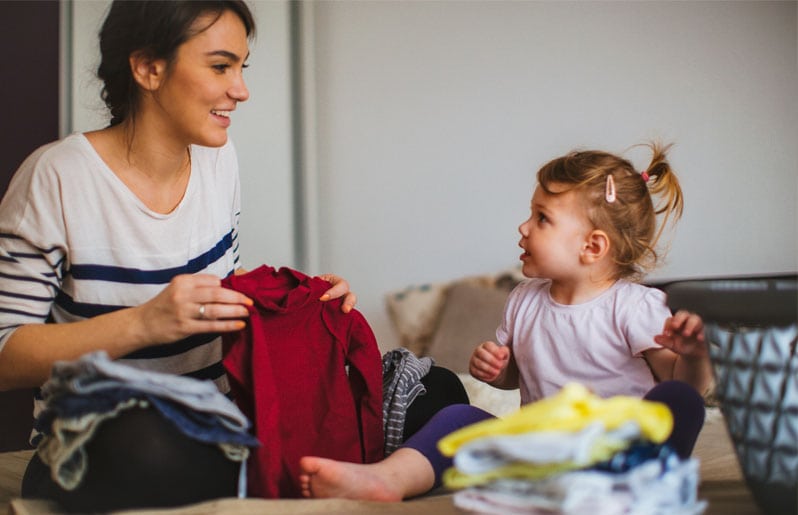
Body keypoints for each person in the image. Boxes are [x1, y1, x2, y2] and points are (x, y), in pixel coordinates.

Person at [0, 1, 358, 511]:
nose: (241, 90)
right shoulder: (56, 178)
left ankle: (248, 463)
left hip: (214, 418)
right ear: (148, 68)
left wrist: (303, 303)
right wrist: (144, 324)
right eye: (220, 66)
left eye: (241, 67)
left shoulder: (220, 160)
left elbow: (222, 303)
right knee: (149, 448)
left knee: (426, 388)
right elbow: (4, 352)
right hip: (99, 437)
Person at [297, 143, 712, 501]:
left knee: (682, 402)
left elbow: (686, 383)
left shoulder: (634, 306)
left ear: (592, 246)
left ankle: (636, 485)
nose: (523, 226)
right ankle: (388, 479)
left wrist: (693, 356)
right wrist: (496, 371)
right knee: (459, 418)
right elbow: (517, 376)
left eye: (542, 218)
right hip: (543, 455)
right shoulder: (523, 300)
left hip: (623, 456)